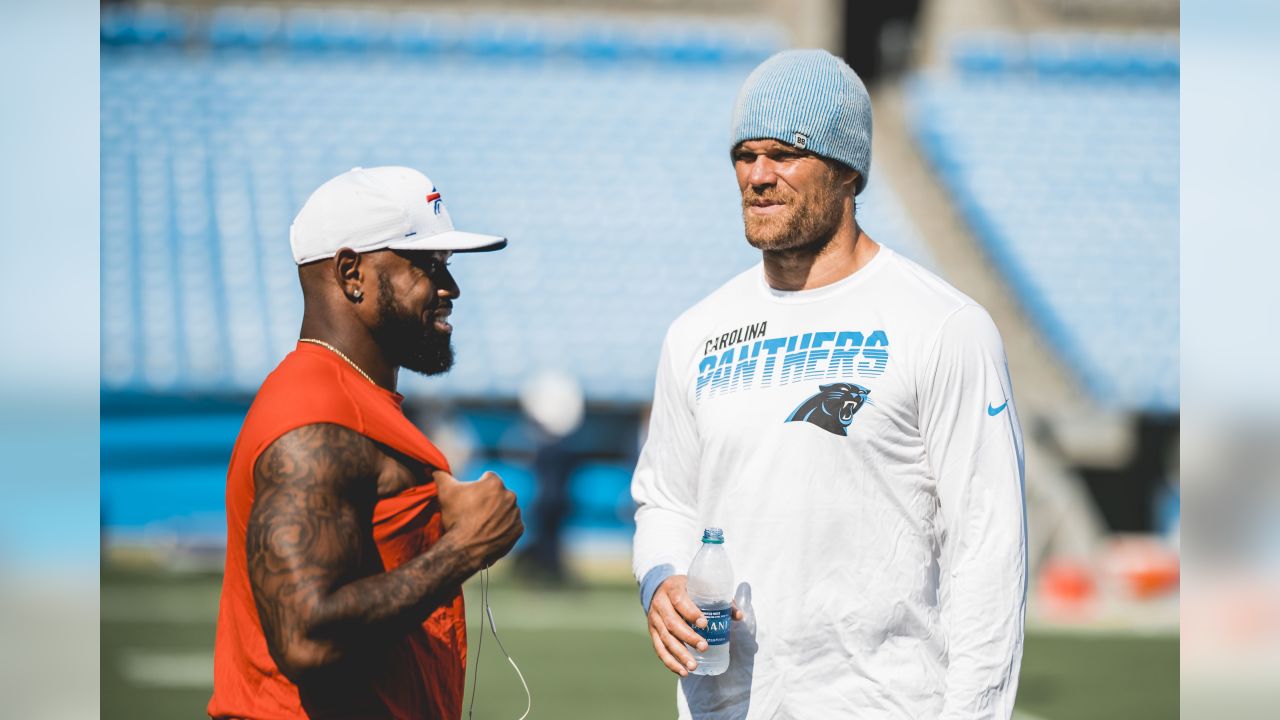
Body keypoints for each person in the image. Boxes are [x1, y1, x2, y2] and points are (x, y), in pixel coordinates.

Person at [631, 50, 1027, 719]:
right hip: (726, 705)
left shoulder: (942, 325)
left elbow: (989, 549)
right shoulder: (696, 333)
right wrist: (661, 581)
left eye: (785, 153)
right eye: (744, 155)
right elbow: (666, 499)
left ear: (848, 170)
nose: (757, 176)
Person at [208, 166, 524, 720]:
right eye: (428, 266)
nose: (451, 288)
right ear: (351, 273)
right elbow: (307, 638)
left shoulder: (350, 400)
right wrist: (464, 548)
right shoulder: (317, 419)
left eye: (447, 266)